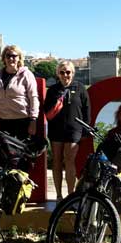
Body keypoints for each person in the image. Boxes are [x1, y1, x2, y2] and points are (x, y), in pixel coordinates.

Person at [43, 61, 89, 200]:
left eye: (68, 72)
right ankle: (58, 195)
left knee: (70, 160)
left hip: (74, 130)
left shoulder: (80, 88)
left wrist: (86, 128)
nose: (65, 75)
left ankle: (70, 195)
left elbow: (86, 109)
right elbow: (46, 111)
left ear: (72, 73)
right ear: (58, 74)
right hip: (56, 129)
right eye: (62, 72)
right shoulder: (52, 90)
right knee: (57, 161)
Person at [0, 45, 39, 141]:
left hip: (22, 120)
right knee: (4, 154)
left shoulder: (26, 74)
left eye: (14, 56)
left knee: (21, 154)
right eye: (8, 56)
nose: (11, 58)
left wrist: (33, 119)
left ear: (19, 58)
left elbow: (33, 97)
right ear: (4, 58)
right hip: (4, 120)